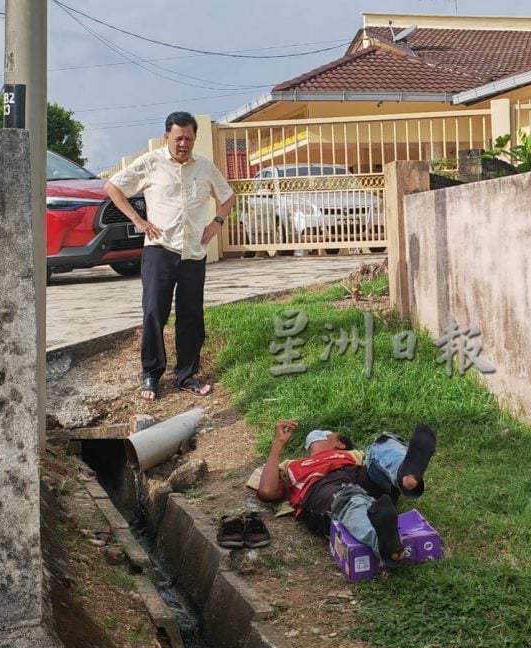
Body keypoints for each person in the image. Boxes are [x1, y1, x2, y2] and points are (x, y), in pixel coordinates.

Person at [105, 111, 235, 400]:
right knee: (154, 312)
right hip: (160, 250)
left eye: (189, 139)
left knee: (191, 315)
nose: (183, 144)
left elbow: (228, 197)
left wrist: (217, 223)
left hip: (193, 253)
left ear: (195, 139)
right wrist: (138, 221)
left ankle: (186, 375)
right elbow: (112, 187)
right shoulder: (151, 162)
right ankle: (151, 375)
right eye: (178, 138)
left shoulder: (204, 166)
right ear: (167, 137)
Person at [256, 420, 436, 565]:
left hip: (358, 475)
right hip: (324, 490)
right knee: (350, 499)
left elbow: (375, 462)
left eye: (329, 435)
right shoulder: (292, 466)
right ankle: (384, 544)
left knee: (381, 443)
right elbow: (266, 492)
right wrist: (277, 443)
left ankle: (404, 476)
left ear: (339, 444)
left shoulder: (351, 455)